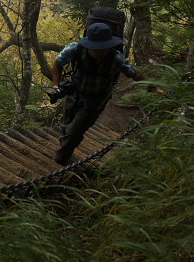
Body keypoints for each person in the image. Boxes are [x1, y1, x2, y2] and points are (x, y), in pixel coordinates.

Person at [49, 21, 143, 165]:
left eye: (104, 48)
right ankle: (67, 143)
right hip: (74, 93)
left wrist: (152, 87)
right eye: (96, 48)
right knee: (66, 125)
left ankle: (60, 160)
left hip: (95, 100)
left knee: (75, 130)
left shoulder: (115, 58)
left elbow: (133, 72)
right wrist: (56, 85)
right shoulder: (75, 49)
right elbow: (57, 64)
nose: (100, 51)